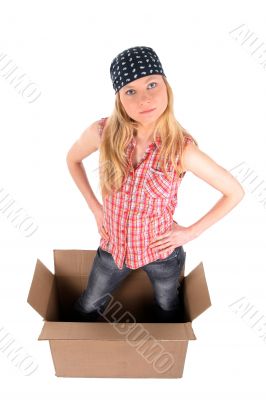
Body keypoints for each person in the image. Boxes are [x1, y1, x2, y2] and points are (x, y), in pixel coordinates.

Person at [66, 45, 245, 323]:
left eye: (152, 85)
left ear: (166, 87)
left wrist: (190, 233)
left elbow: (235, 192)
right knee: (87, 304)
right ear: (119, 98)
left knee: (167, 308)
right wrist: (96, 208)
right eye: (131, 91)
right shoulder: (102, 133)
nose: (144, 99)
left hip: (161, 254)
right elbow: (72, 160)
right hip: (112, 250)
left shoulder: (180, 150)